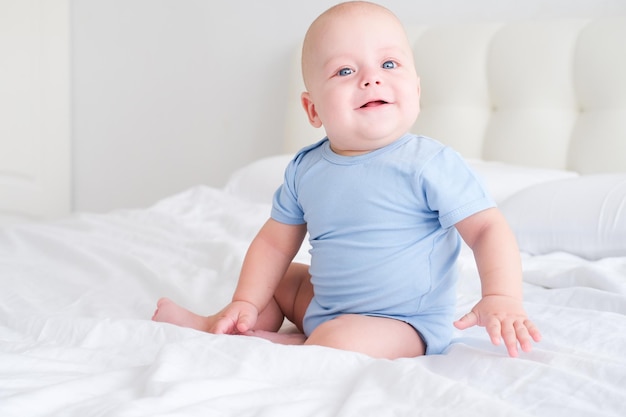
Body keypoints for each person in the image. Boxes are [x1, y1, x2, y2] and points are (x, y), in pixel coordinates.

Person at [152, 1, 541, 359]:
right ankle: (226, 322)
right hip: (320, 303)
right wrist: (246, 300)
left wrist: (502, 296)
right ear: (312, 108)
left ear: (417, 90)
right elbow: (273, 243)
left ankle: (291, 343)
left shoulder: (429, 163)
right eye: (345, 71)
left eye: (389, 64)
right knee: (275, 277)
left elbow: (487, 228)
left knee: (339, 341)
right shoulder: (306, 168)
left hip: (404, 323)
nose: (371, 79)